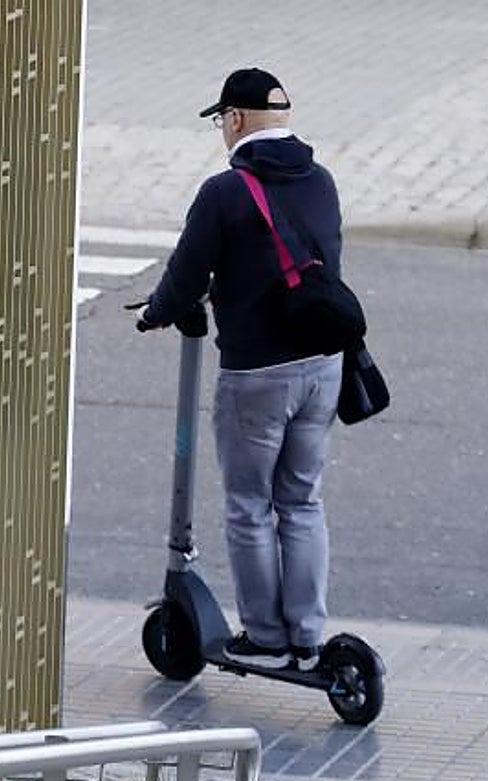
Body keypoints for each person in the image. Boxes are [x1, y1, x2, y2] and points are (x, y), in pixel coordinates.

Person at [132, 68, 343, 673]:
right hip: (322, 366)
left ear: (235, 120)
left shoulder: (225, 192)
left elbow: (186, 275)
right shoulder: (322, 181)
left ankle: (267, 640)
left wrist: (155, 313)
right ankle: (307, 638)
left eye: (220, 122)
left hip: (258, 373)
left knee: (250, 505)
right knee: (302, 501)